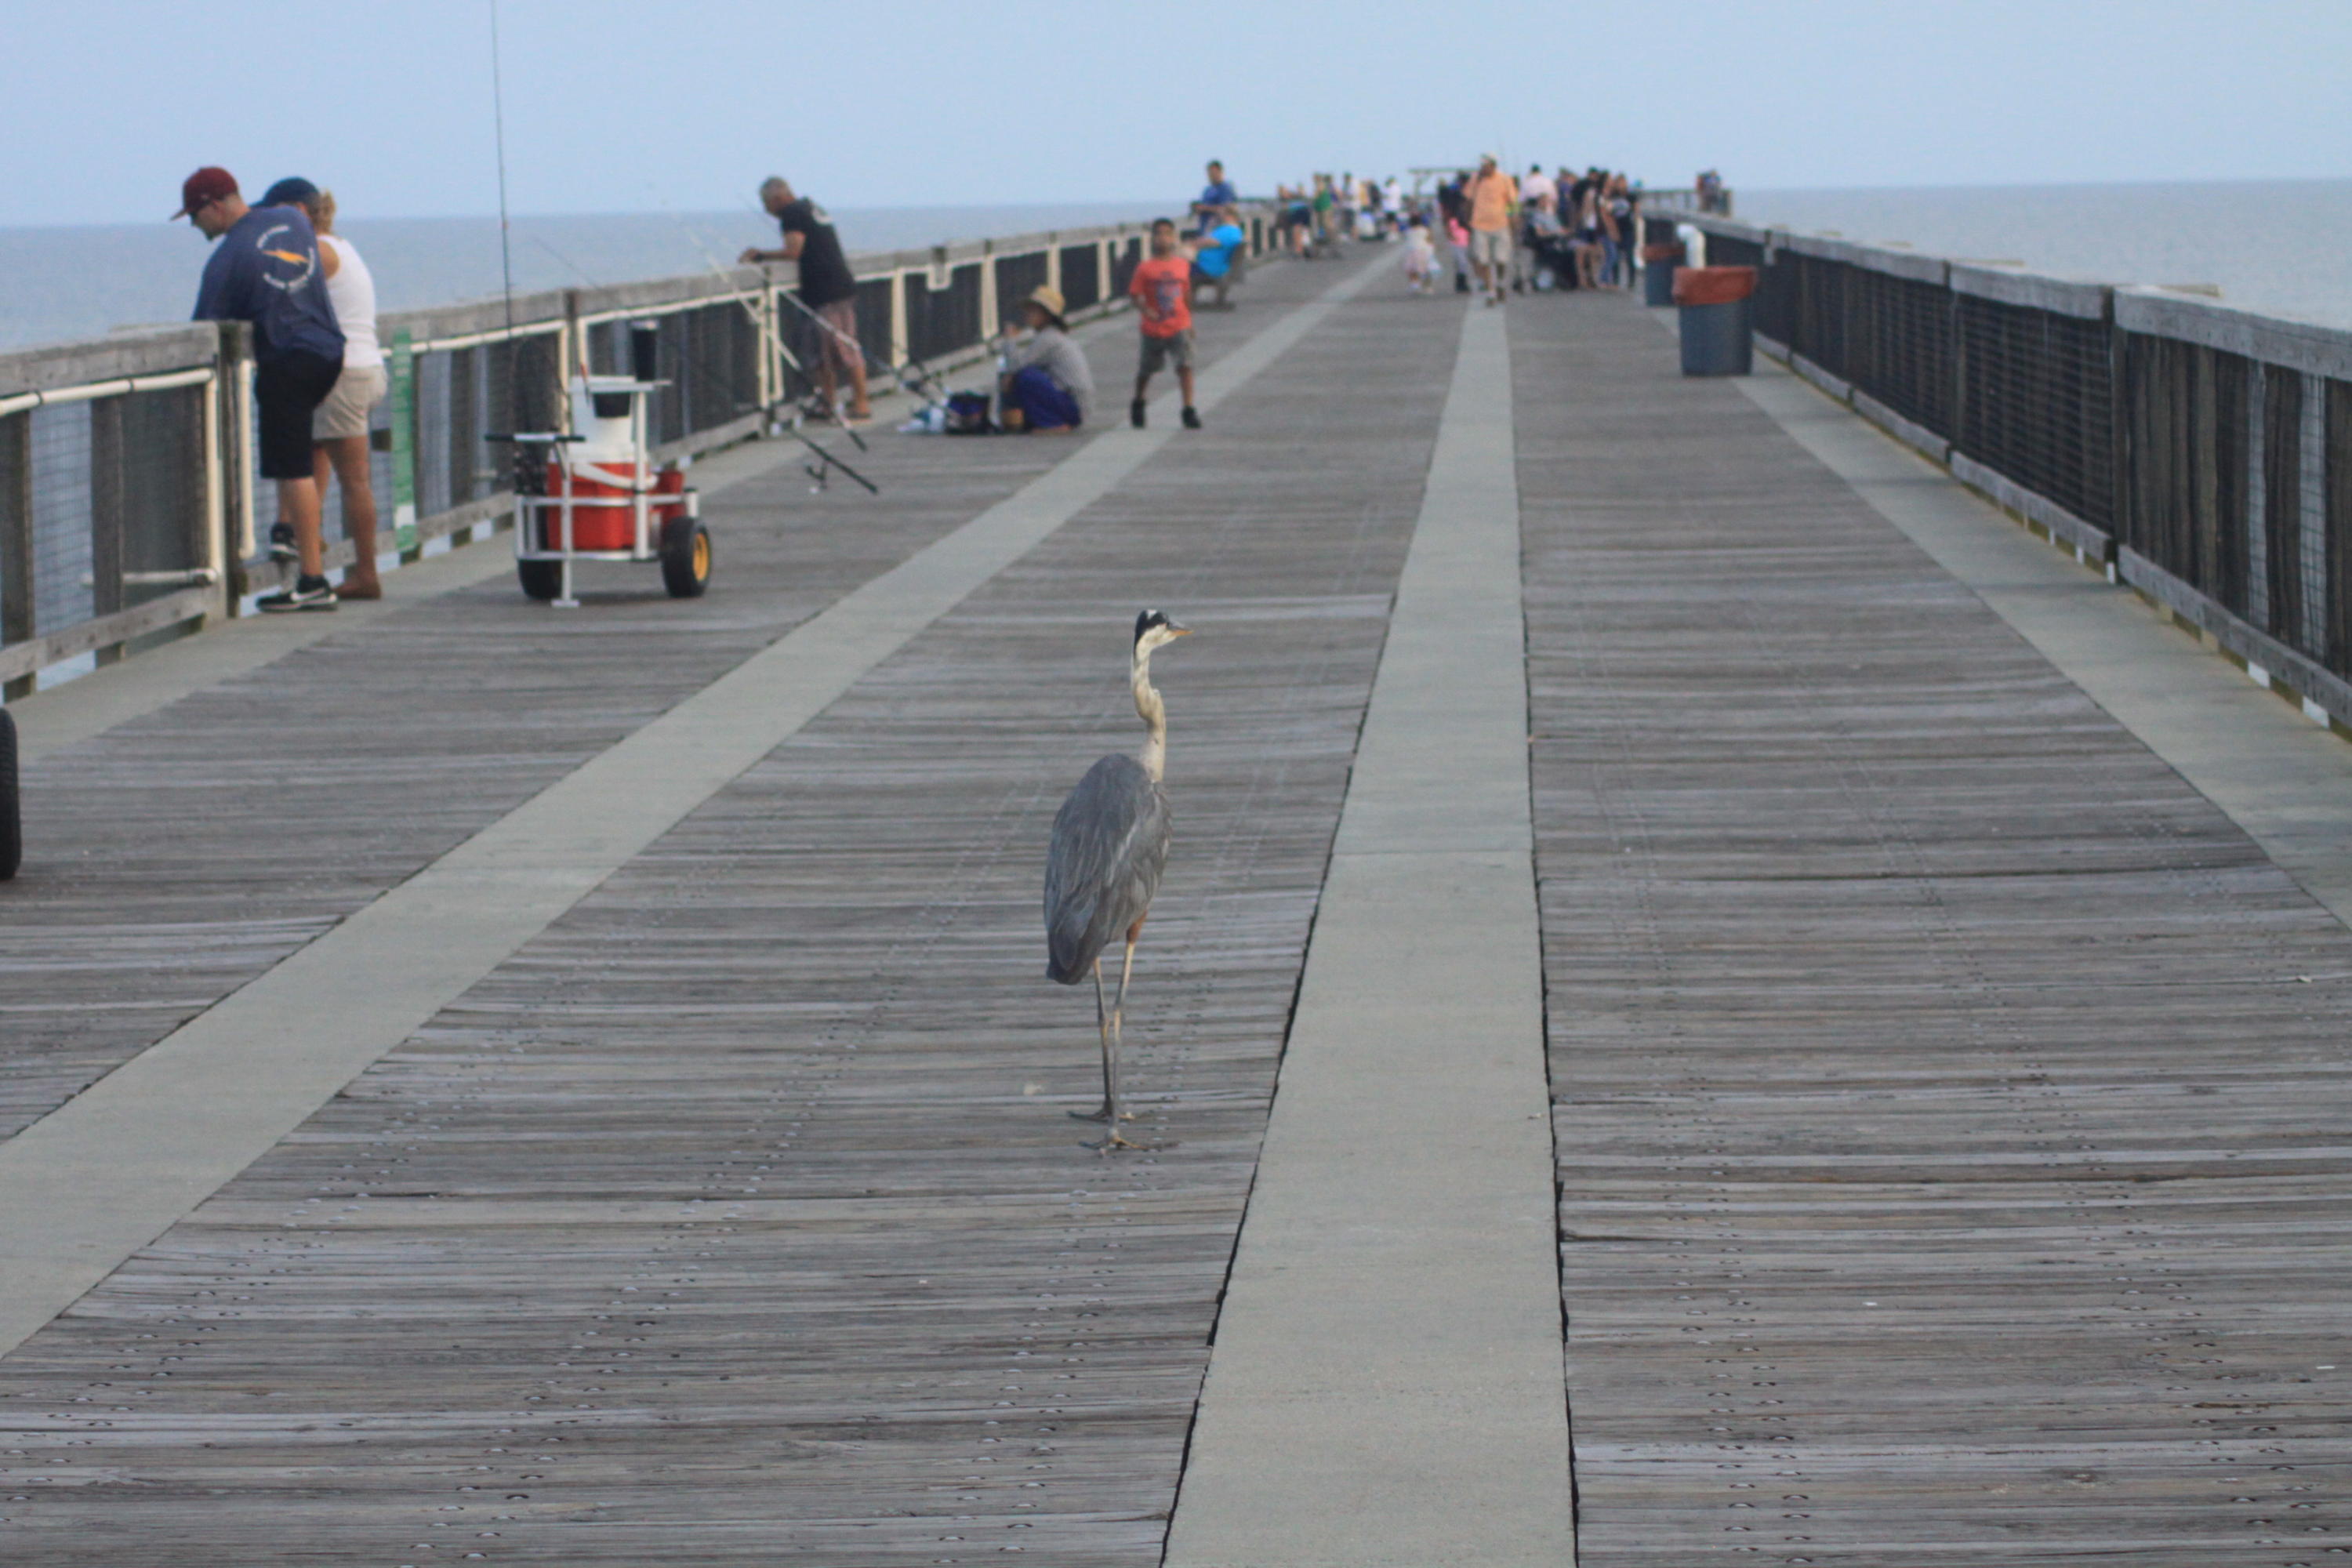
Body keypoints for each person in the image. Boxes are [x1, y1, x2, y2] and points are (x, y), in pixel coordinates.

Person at [178, 167, 345, 612]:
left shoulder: (227, 260)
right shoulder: (291, 220)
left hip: (286, 361)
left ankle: (312, 579)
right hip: (329, 351)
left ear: (215, 205)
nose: (198, 230)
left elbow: (202, 332)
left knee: (293, 471)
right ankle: (303, 561)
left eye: (196, 218)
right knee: (302, 459)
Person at [261, 179, 386, 601]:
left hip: (343, 374)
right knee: (313, 457)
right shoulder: (342, 246)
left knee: (355, 481)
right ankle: (303, 544)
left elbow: (279, 293)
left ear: (298, 210)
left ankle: (365, 574)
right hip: (362, 368)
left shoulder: (317, 251)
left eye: (276, 215)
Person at [740, 176, 869, 423]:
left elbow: (793, 251)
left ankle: (853, 405)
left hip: (826, 292)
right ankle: (837, 404)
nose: (767, 211)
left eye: (766, 204)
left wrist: (760, 256)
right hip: (837, 287)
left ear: (777, 199)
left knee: (837, 351)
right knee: (835, 351)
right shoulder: (810, 207)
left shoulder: (792, 214)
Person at [1128, 218, 1200, 431]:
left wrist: (1190, 321)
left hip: (1179, 324)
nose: (1163, 238)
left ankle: (1188, 410)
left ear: (1174, 238)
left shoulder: (1182, 266)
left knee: (1185, 366)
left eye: (1167, 234)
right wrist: (1145, 310)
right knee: (1147, 370)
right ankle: (1139, 401)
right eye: (1158, 234)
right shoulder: (1145, 268)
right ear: (1152, 239)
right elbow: (1135, 295)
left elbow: (1186, 294)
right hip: (1153, 328)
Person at [996, 285, 1093, 434]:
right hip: (1071, 404)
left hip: (1074, 406)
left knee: (1026, 377)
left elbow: (1015, 366)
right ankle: (1030, 421)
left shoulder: (1049, 338)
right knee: (1023, 376)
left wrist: (1010, 341)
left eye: (1032, 311)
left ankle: (1053, 424)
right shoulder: (1049, 336)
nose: (1027, 315)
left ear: (1047, 315)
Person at [1464, 154, 1518, 307]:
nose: (1483, 169)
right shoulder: (1476, 180)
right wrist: (1467, 220)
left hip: (1500, 224)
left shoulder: (1505, 180)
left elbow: (1512, 202)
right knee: (1483, 260)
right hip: (1479, 225)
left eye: (1486, 166)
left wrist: (1514, 217)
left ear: (1493, 166)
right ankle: (1491, 292)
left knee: (1501, 259)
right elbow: (1468, 199)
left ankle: (1500, 283)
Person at [1190, 206, 1247, 309]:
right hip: (1213, 265)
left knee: (1183, 268)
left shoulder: (1230, 230)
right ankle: (1191, 300)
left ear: (1230, 216)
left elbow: (1210, 242)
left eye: (1221, 214)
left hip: (1211, 268)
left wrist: (1192, 243)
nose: (1219, 216)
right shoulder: (1232, 230)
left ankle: (1187, 301)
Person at [1191, 160, 1237, 234]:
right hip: (1205, 226)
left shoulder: (1225, 188)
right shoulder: (1208, 190)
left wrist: (1205, 208)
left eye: (1213, 173)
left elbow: (1226, 209)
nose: (1211, 176)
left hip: (1218, 227)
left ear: (1220, 172)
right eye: (1210, 174)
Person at [1401, 216, 1437, 293]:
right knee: (1425, 270)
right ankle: (1427, 287)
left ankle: (1415, 285)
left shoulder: (1408, 231)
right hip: (1423, 252)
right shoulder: (1425, 230)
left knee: (1412, 270)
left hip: (1412, 252)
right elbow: (1429, 240)